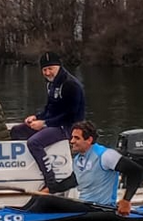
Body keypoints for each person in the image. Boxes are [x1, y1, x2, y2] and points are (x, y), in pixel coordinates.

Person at [10, 51, 86, 193]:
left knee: (34, 142)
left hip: (69, 126)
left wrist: (44, 124)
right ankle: (26, 170)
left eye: (50, 69)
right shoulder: (51, 84)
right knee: (17, 131)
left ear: (58, 67)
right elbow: (50, 107)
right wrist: (37, 117)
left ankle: (50, 182)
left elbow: (70, 115)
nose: (47, 72)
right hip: (54, 123)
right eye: (44, 70)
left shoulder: (70, 85)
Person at [68, 121, 143, 216]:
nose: (72, 141)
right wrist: (49, 190)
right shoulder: (77, 159)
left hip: (105, 211)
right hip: (86, 209)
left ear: (89, 140)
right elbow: (73, 181)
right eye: (72, 137)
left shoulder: (106, 155)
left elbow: (135, 171)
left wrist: (126, 201)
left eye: (76, 138)